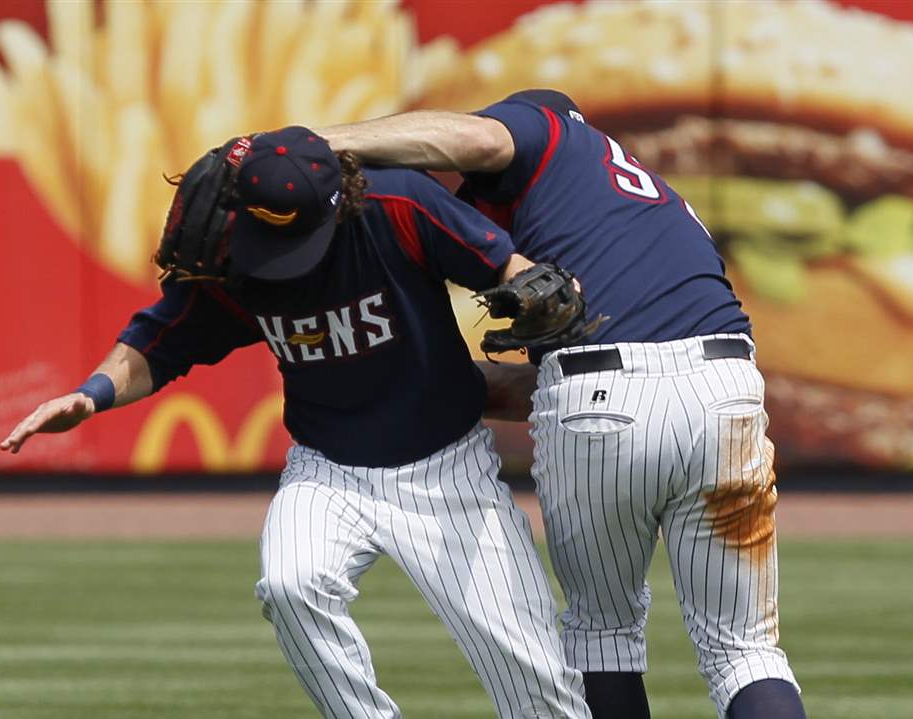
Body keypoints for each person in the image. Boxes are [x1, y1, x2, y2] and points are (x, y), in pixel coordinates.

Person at [0, 126, 593, 719]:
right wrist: (92, 394)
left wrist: (532, 287)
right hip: (327, 469)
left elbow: (504, 264)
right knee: (291, 585)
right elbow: (162, 338)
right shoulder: (238, 254)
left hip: (449, 469)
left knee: (533, 674)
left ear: (344, 201)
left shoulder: (401, 206)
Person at [318, 90, 806, 719]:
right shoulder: (630, 208)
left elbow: (482, 141)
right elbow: (547, 387)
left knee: (603, 634)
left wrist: (318, 142)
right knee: (745, 652)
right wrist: (413, 378)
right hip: (724, 391)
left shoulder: (550, 131)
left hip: (595, 397)